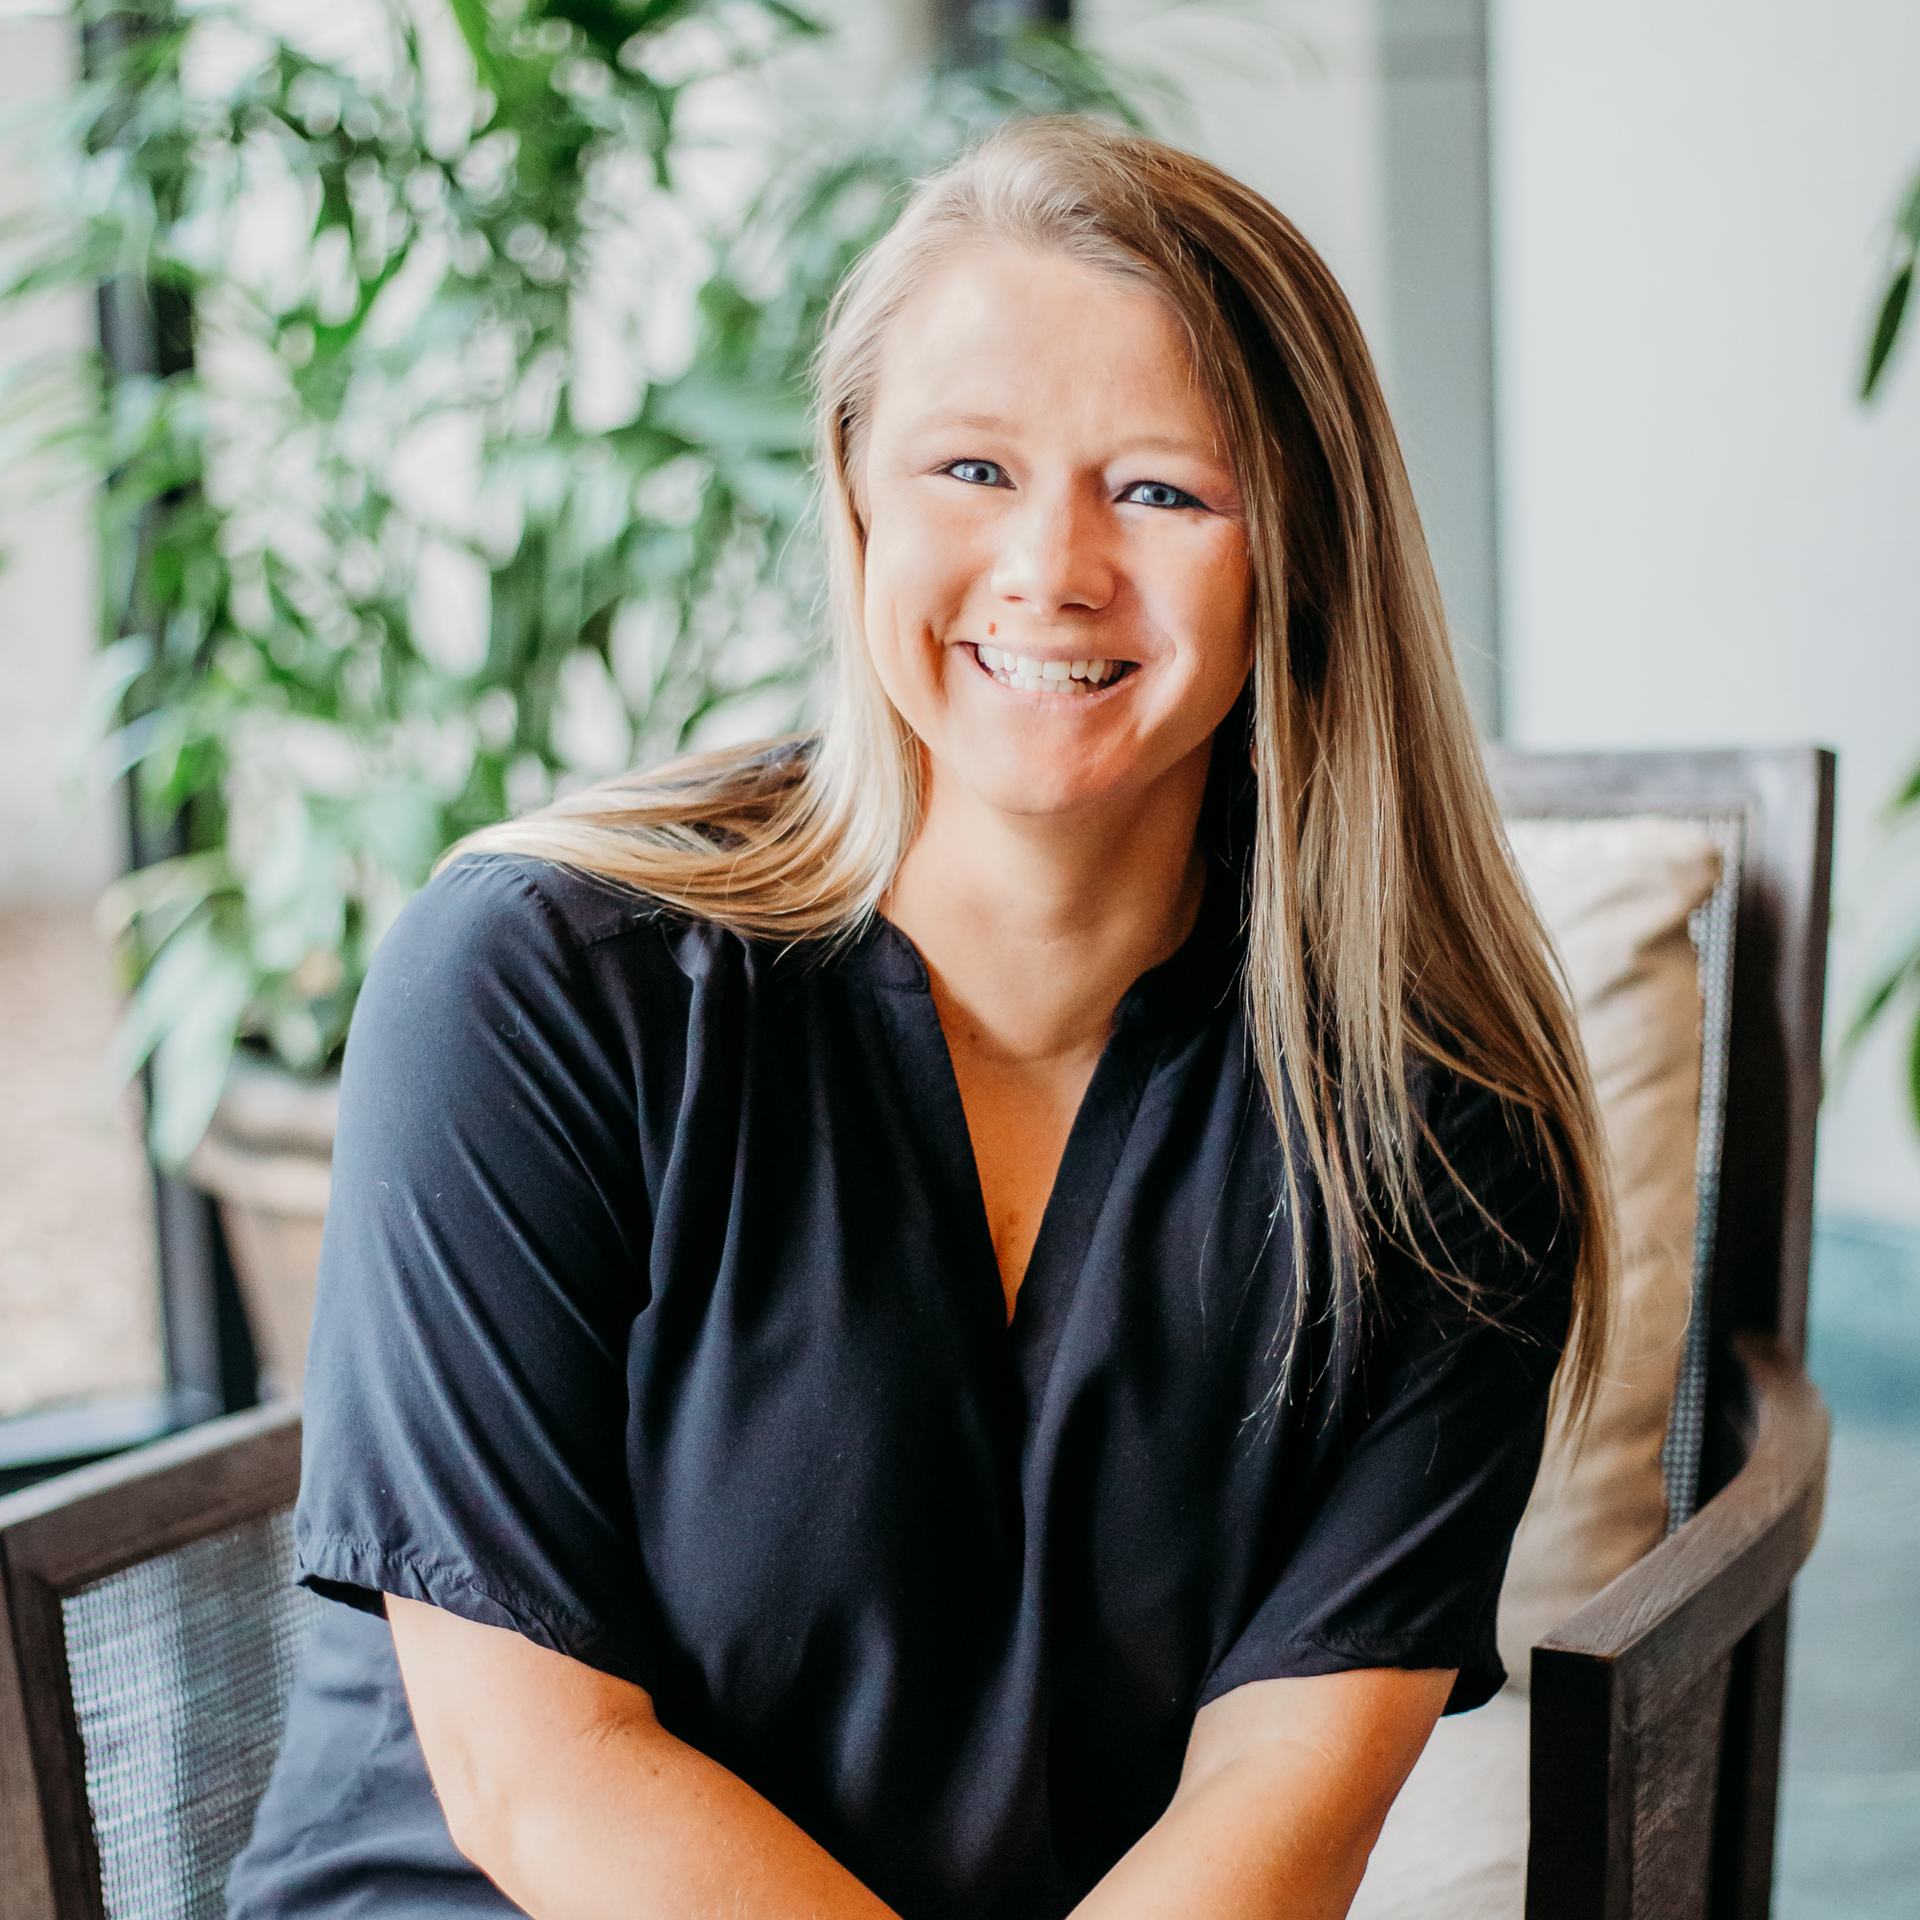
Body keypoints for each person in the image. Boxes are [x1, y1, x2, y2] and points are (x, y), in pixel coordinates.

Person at [228, 116, 1611, 1920]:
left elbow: (1280, 1803)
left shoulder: (1434, 1142)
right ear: (857, 492)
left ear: (1305, 558)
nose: (1052, 568)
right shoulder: (536, 983)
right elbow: (539, 1768)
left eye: (1164, 490)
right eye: (970, 467)